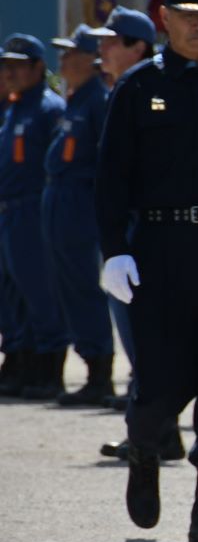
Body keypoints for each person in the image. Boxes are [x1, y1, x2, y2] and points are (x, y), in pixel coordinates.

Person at [95, 0, 198, 542]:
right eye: (188, 14)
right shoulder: (137, 87)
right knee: (160, 381)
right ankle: (144, 447)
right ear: (165, 18)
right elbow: (111, 177)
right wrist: (114, 252)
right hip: (157, 255)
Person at [89, 7, 163, 430]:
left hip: (148, 227)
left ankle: (156, 429)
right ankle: (150, 426)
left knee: (144, 332)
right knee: (131, 332)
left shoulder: (141, 91)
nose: (102, 49)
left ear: (137, 47)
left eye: (111, 41)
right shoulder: (115, 90)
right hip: (124, 226)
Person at [44, 25, 115, 406]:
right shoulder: (76, 98)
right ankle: (91, 362)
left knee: (84, 286)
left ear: (93, 59)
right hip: (61, 198)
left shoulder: (97, 100)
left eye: (73, 53)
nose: (64, 60)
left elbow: (105, 160)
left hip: (81, 203)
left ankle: (100, 370)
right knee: (67, 286)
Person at [0, 34, 69, 400]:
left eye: (17, 65)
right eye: (6, 65)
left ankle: (49, 370)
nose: (9, 72)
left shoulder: (47, 108)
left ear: (38, 68)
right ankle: (22, 362)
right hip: (11, 209)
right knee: (13, 294)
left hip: (33, 208)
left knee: (40, 292)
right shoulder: (16, 107)